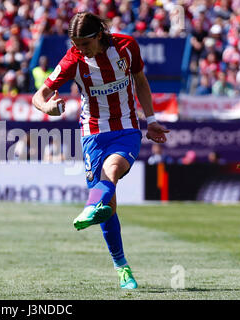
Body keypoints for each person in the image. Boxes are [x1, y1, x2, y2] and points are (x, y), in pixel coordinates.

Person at [32, 12, 169, 290]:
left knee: (112, 170)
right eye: (76, 44)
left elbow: (140, 81)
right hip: (93, 134)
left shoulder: (127, 46)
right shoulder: (73, 59)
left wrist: (151, 120)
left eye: (84, 44)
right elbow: (39, 96)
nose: (80, 49)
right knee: (109, 207)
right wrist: (48, 108)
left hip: (127, 128)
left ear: (98, 36)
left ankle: (89, 206)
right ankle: (122, 267)